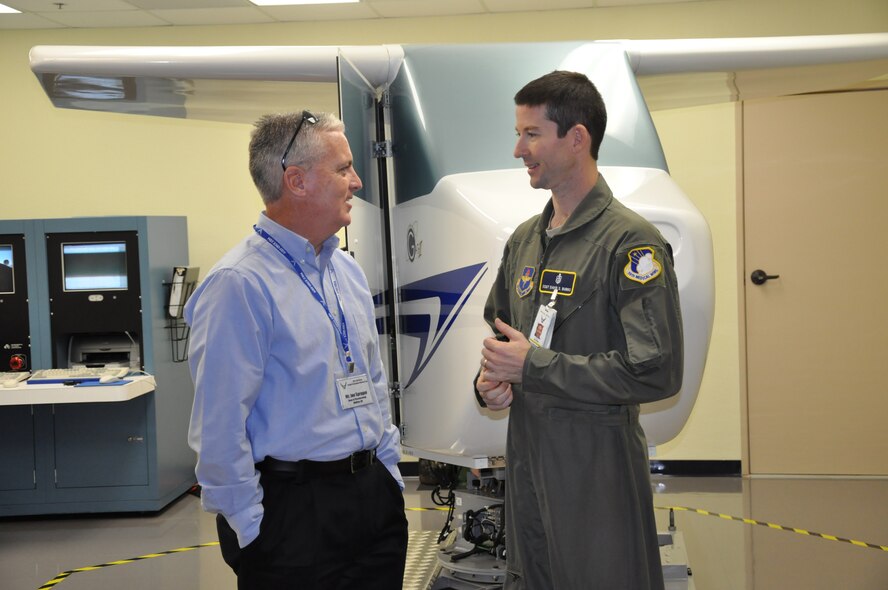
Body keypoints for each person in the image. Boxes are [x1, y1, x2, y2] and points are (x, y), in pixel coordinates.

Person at [475, 71, 684, 589]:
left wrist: (533, 367)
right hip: (526, 459)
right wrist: (491, 382)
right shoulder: (525, 241)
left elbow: (655, 372)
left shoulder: (631, 244)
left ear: (576, 138)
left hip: (597, 466)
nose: (518, 148)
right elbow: (505, 339)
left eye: (531, 133)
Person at [186, 111, 407, 589]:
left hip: (371, 502)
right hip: (293, 514)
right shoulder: (239, 284)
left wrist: (388, 472)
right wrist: (251, 528)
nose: (357, 181)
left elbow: (369, 380)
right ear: (297, 181)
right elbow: (219, 427)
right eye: (343, 168)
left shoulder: (345, 272)